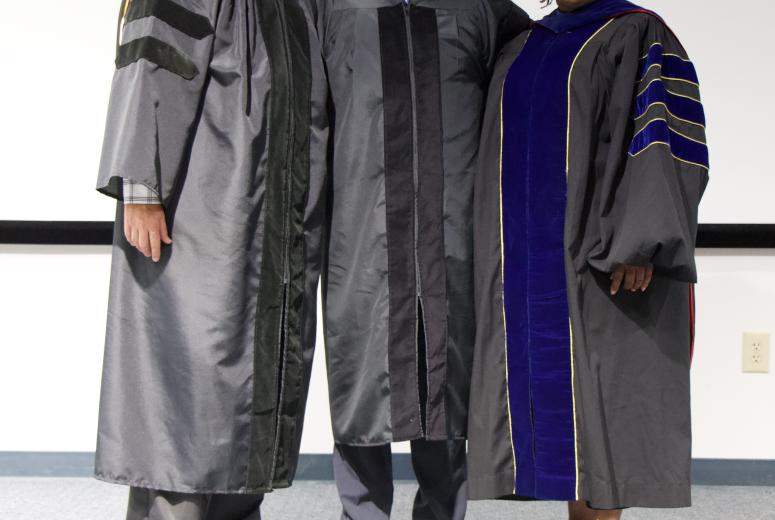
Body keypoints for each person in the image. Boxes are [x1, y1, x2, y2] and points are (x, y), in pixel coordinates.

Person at [467, 0, 709, 519]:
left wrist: (641, 240)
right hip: (528, 270)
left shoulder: (637, 32)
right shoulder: (525, 43)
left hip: (606, 262)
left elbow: (663, 137)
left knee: (604, 426)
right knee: (568, 442)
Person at [94, 0, 329, 518]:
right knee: (186, 409)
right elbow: (151, 59)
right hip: (201, 220)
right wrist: (141, 190)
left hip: (274, 231)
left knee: (249, 411)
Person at [315, 0, 531, 518]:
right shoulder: (332, 7)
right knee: (361, 392)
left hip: (451, 240)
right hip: (362, 239)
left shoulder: (480, 9)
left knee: (447, 391)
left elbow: (529, 85)